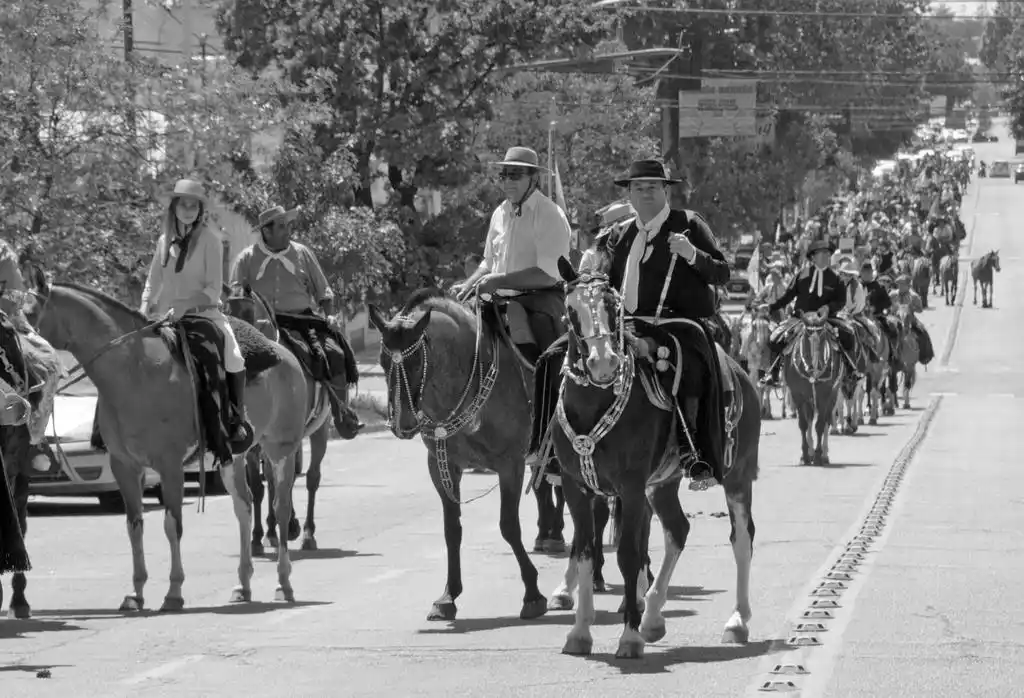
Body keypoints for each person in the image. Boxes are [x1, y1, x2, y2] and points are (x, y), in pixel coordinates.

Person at [588, 159, 731, 490]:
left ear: (666, 190)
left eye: (653, 186)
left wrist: (692, 254)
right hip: (627, 324)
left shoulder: (689, 224)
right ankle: (558, 446)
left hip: (678, 323)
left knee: (686, 366)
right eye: (638, 187)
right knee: (571, 357)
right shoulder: (619, 234)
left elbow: (722, 272)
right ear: (629, 194)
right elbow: (606, 282)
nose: (646, 193)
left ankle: (692, 449)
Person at [231, 205, 361, 439]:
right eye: (282, 226)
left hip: (301, 322)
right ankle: (234, 417)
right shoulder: (246, 259)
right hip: (260, 324)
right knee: (233, 361)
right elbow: (235, 296)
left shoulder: (303, 253)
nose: (288, 231)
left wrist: (330, 314)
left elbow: (324, 291)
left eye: (288, 225)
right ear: (266, 231)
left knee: (335, 353)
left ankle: (343, 415)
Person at [141, 179, 252, 453]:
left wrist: (185, 305)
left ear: (200, 210)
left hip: (205, 315)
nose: (188, 210)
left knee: (234, 357)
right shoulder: (163, 242)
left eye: (194, 206)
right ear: (174, 207)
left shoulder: (211, 241)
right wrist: (144, 307)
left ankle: (235, 419)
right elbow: (153, 283)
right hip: (167, 318)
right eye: (184, 205)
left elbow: (213, 291)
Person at [453, 146, 570, 364]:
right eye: (504, 175)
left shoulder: (550, 214)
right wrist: (467, 286)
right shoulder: (499, 213)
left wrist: (498, 281)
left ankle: (549, 381)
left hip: (541, 300)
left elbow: (547, 275)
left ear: (534, 178)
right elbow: (489, 262)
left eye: (515, 175)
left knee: (549, 353)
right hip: (497, 297)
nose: (508, 181)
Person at [762, 239, 861, 386]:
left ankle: (850, 371)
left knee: (849, 334)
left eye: (828, 254)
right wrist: (771, 307)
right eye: (822, 253)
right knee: (775, 337)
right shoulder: (802, 274)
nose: (826, 256)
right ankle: (773, 373)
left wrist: (828, 308)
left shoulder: (836, 278)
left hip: (827, 319)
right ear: (813, 257)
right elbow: (788, 295)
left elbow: (841, 301)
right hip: (800, 318)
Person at [889, 274, 934, 365]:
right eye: (899, 284)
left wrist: (912, 307)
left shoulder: (914, 296)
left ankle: (924, 355)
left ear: (908, 286)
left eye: (903, 284)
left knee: (922, 332)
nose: (900, 286)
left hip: (909, 319)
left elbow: (920, 309)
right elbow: (887, 305)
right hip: (894, 319)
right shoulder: (892, 295)